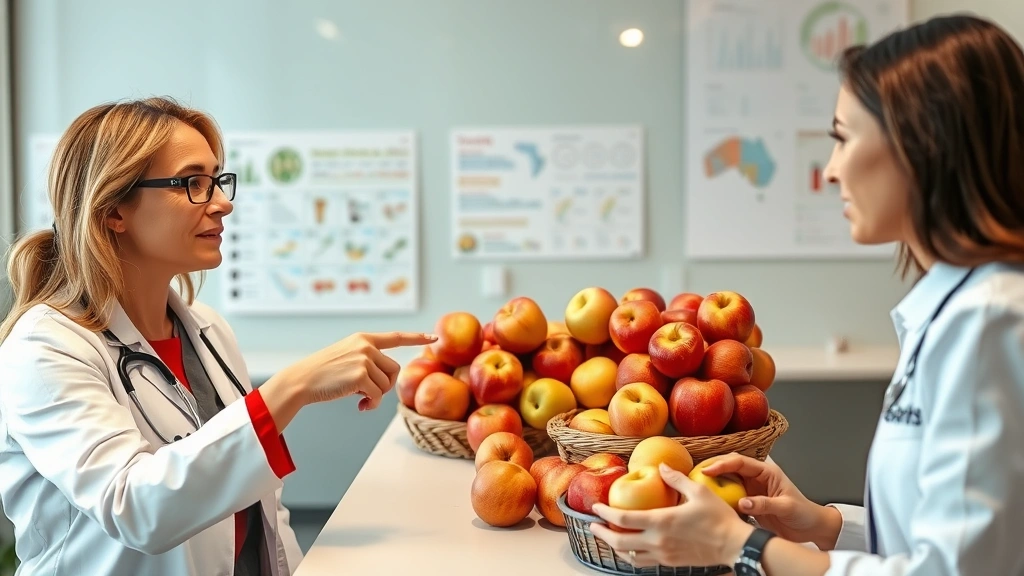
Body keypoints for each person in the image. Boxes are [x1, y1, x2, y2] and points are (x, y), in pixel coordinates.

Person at [589, 13, 1024, 576]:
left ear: (923, 142)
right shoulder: (956, 308)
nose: (834, 170)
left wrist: (742, 549)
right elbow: (961, 538)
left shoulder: (990, 322)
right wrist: (821, 524)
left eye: (844, 139)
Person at [0, 98, 436, 575]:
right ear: (113, 211)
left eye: (217, 180)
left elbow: (262, 510)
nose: (223, 203)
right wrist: (292, 388)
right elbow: (136, 508)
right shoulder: (45, 348)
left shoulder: (207, 331)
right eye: (193, 184)